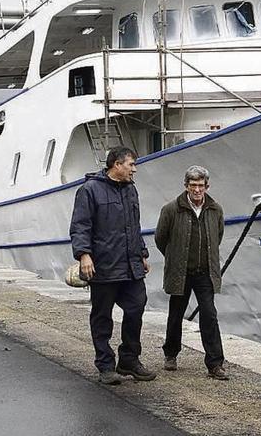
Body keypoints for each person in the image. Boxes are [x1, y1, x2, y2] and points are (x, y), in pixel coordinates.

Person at [69, 146, 157, 385]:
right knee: (102, 316)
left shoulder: (130, 190)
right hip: (104, 266)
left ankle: (129, 359)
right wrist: (84, 255)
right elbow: (80, 226)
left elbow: (134, 225)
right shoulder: (89, 190)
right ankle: (106, 365)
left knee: (136, 307)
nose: (134, 169)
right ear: (117, 165)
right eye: (131, 165)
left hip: (130, 265)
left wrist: (142, 253)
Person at [155, 165, 229, 380]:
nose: (197, 190)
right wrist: (175, 258)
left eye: (201, 186)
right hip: (181, 272)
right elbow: (161, 239)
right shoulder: (171, 210)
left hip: (204, 272)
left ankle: (215, 364)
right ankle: (171, 353)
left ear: (207, 186)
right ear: (186, 186)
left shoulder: (215, 209)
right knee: (176, 314)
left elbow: (218, 236)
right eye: (193, 185)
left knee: (209, 314)